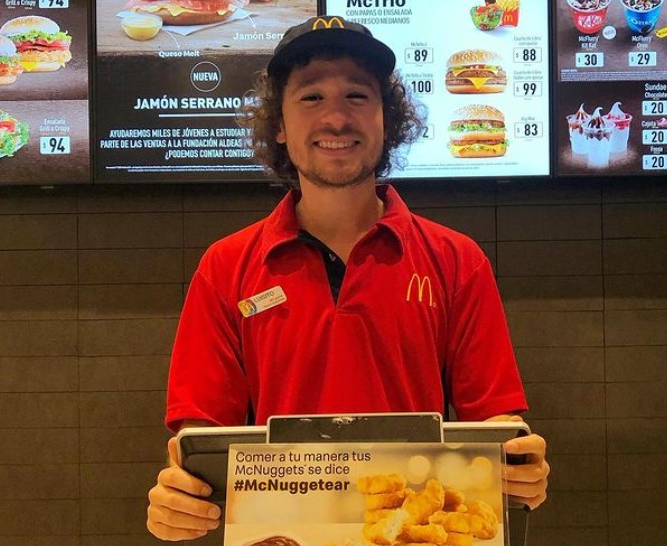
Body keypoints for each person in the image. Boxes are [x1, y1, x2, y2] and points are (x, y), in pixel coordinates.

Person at [147, 15, 549, 542]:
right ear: (279, 125)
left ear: (388, 119)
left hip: (415, 532)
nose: (336, 118)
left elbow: (496, 422)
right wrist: (181, 498)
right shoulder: (226, 267)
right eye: (311, 98)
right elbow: (199, 436)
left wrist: (519, 463)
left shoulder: (457, 260)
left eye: (357, 96)